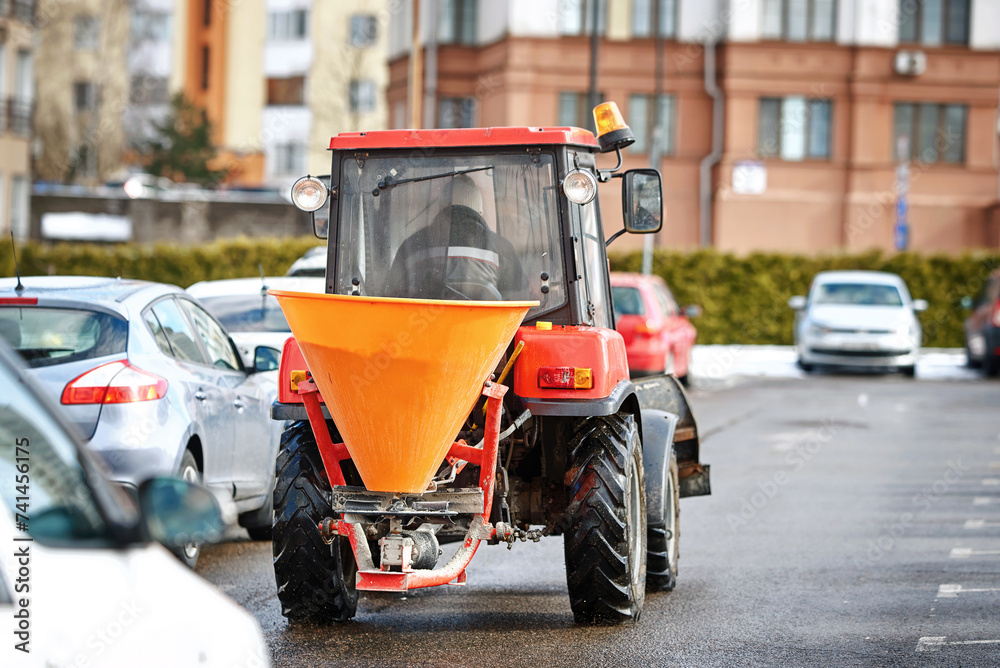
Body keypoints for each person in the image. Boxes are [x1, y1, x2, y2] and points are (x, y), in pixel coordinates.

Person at [385, 174, 525, 300]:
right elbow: (520, 301)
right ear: (479, 211)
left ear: (441, 206)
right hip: (488, 328)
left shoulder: (412, 245)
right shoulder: (502, 249)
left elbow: (390, 297)